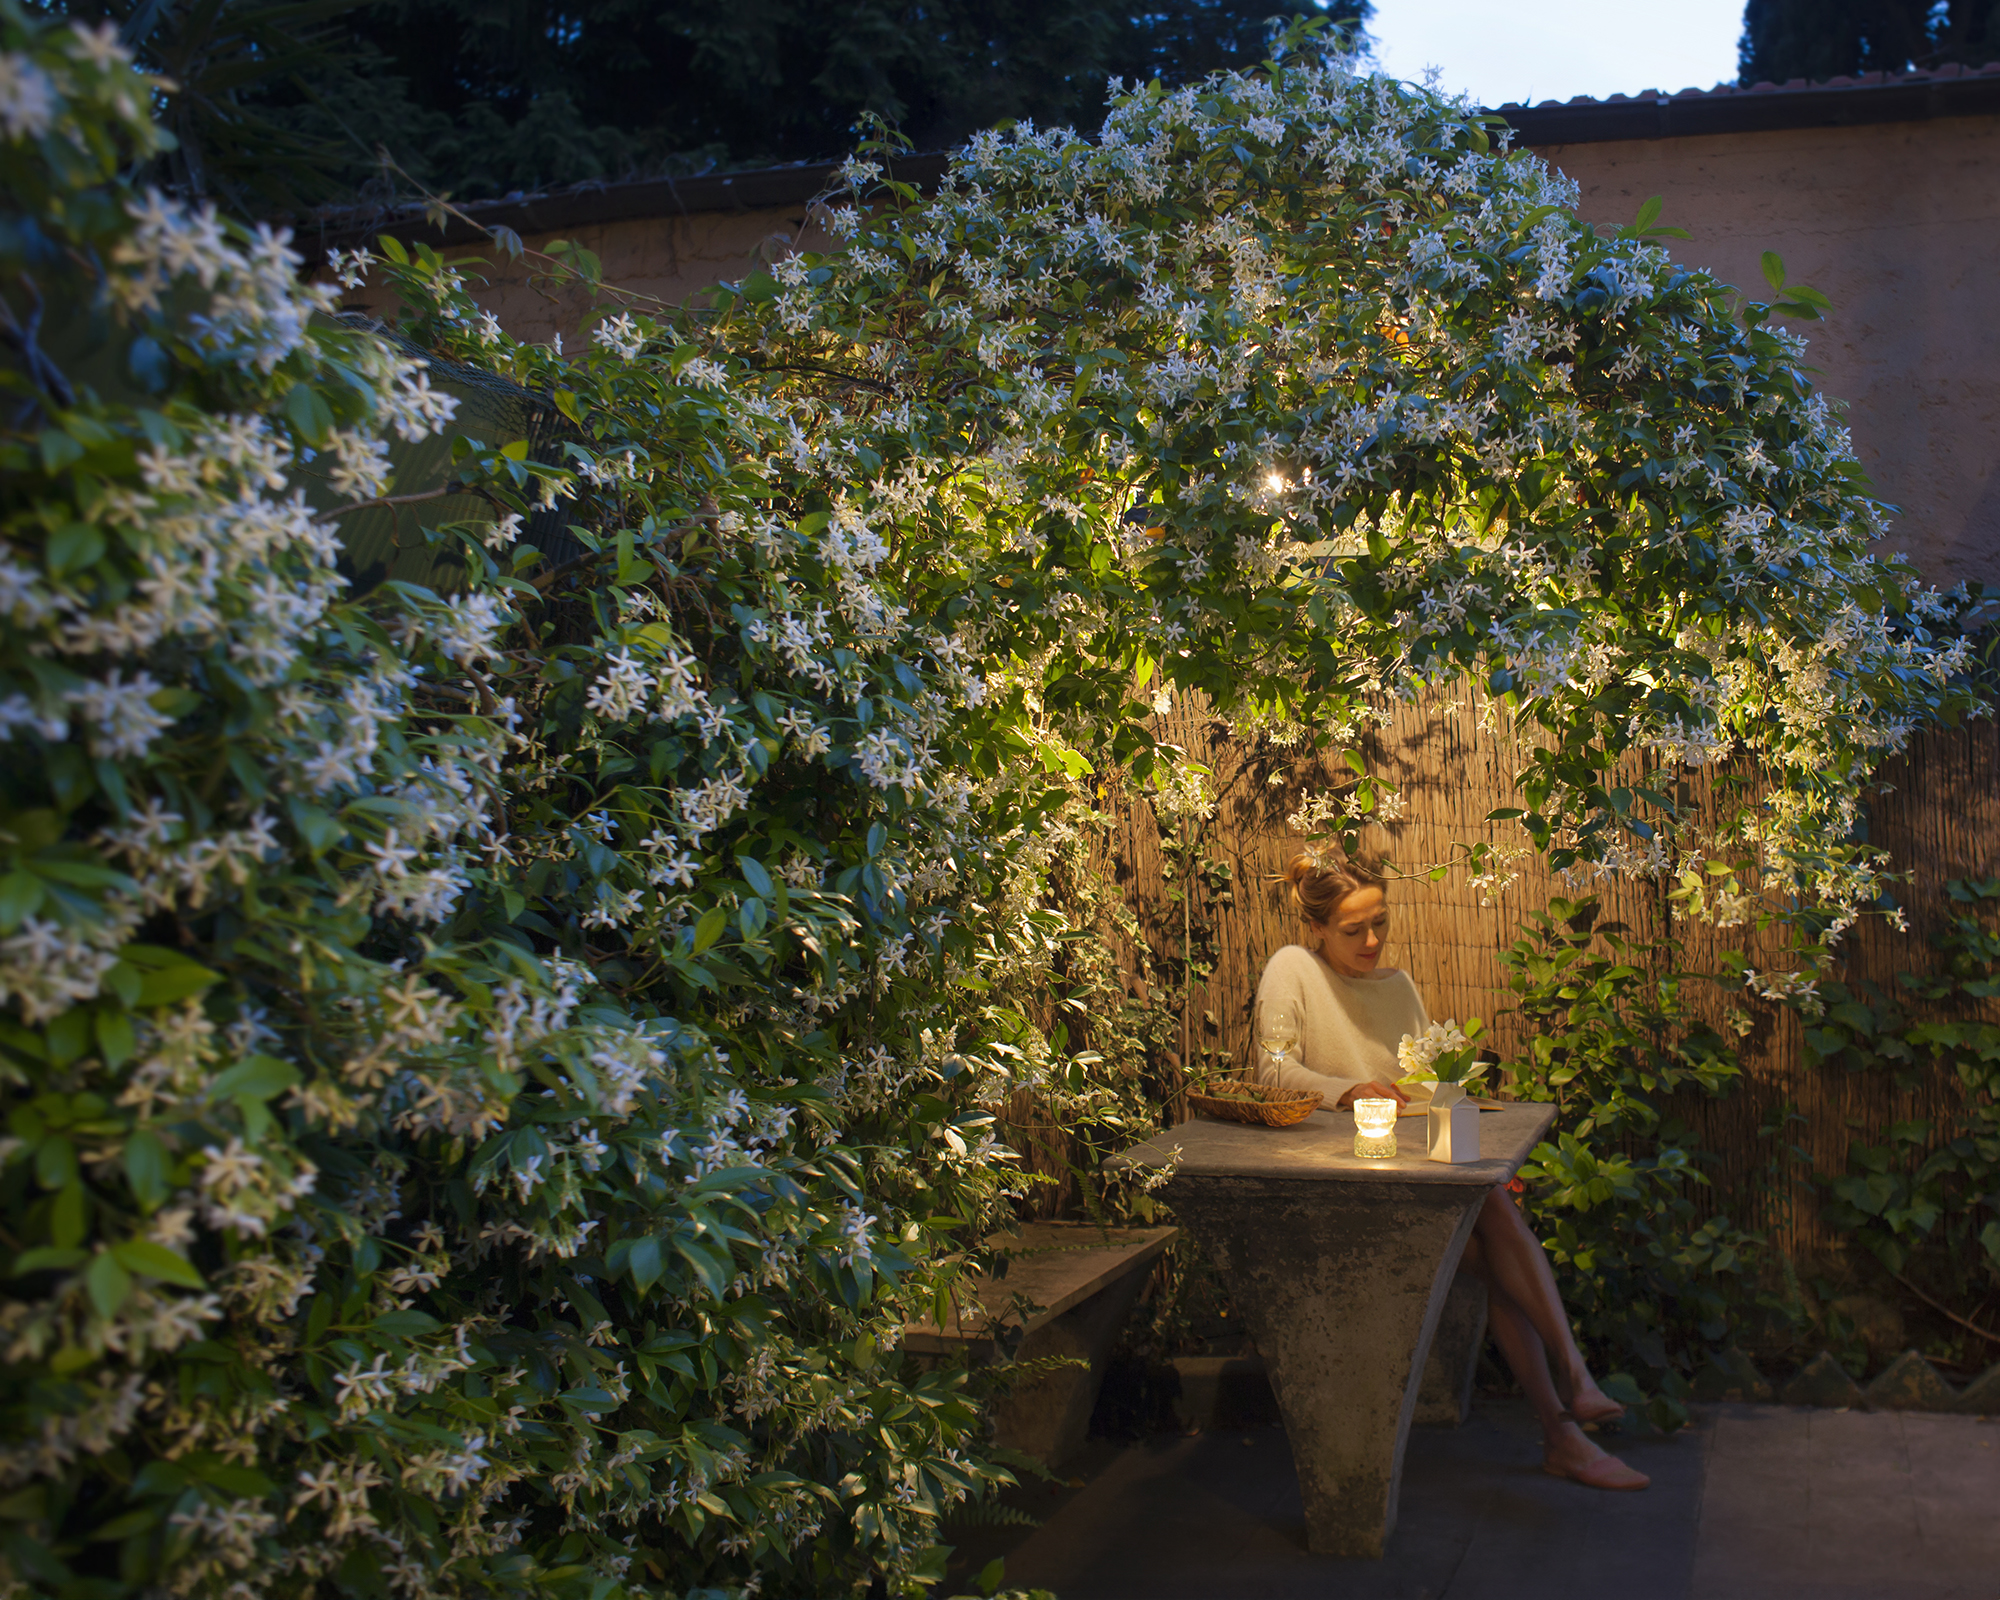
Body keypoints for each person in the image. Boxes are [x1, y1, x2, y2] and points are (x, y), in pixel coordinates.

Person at [1253, 849, 1649, 1492]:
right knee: (1494, 1222)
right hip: (1344, 1184)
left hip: (1417, 1173)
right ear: (1318, 929)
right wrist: (1351, 1088)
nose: (1372, 940)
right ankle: (1571, 1395)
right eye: (1353, 930)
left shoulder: (1400, 987)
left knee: (1491, 1220)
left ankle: (1566, 1421)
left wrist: (1452, 1088)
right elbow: (1272, 1070)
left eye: (1379, 922)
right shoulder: (1293, 969)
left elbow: (1425, 1081)